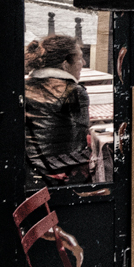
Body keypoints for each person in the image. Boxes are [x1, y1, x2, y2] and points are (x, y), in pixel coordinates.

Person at [24, 34, 93, 183]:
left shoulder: (24, 86)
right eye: (80, 58)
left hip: (28, 171)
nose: (84, 63)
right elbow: (80, 139)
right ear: (65, 64)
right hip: (58, 174)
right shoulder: (73, 91)